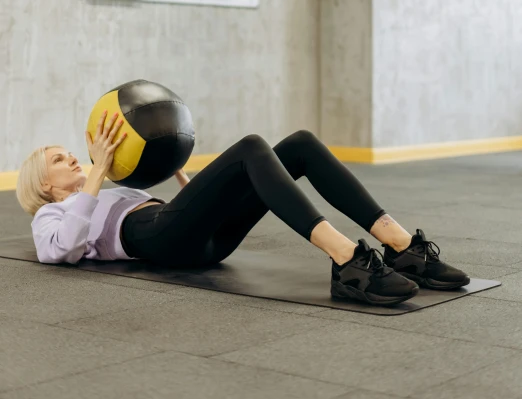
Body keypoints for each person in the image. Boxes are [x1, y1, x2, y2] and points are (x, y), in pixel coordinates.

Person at [16, 112, 469, 307]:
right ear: (42, 183)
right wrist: (97, 172)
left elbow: (180, 212)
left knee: (299, 145)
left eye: (69, 153)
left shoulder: (109, 192)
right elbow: (64, 251)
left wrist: (183, 177)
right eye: (60, 159)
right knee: (251, 146)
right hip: (159, 240)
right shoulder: (49, 217)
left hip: (197, 238)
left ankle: (402, 245)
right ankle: (347, 260)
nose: (72, 158)